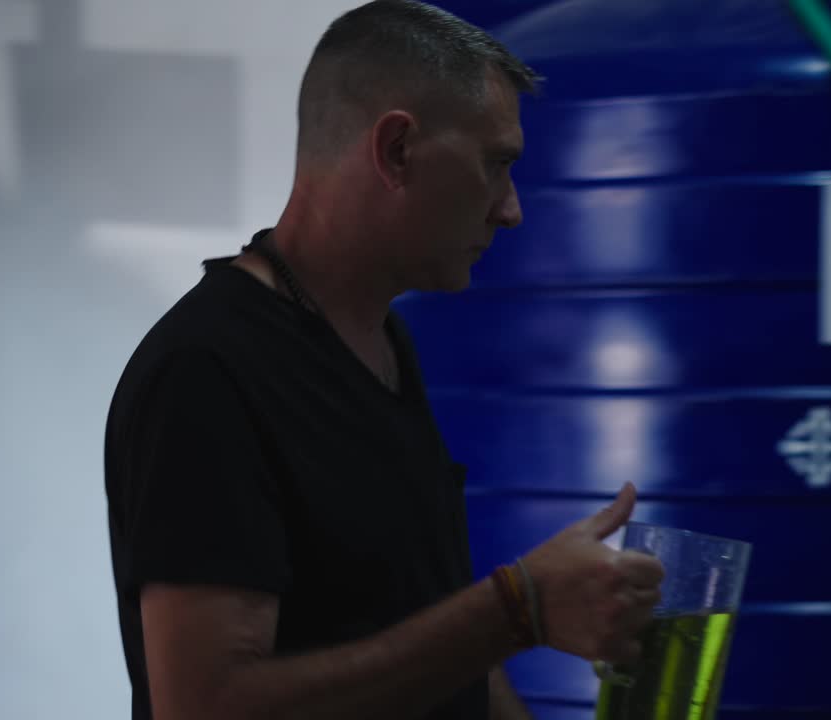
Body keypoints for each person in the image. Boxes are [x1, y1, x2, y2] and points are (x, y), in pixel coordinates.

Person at [103, 1, 665, 719]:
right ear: (397, 149)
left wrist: (505, 618)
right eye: (496, 165)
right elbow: (208, 706)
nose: (511, 208)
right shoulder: (209, 368)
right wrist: (516, 610)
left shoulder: (384, 344)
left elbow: (435, 636)